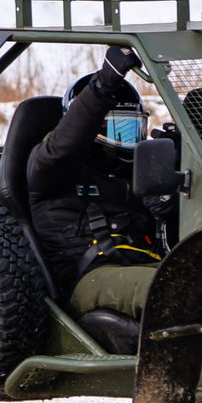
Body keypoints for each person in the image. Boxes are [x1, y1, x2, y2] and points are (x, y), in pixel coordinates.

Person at [27, 44, 167, 324]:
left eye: (133, 129)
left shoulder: (132, 171)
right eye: (118, 129)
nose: (127, 140)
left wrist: (171, 201)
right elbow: (64, 145)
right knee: (173, 289)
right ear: (91, 128)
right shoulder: (49, 166)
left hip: (142, 262)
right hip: (86, 277)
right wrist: (102, 87)